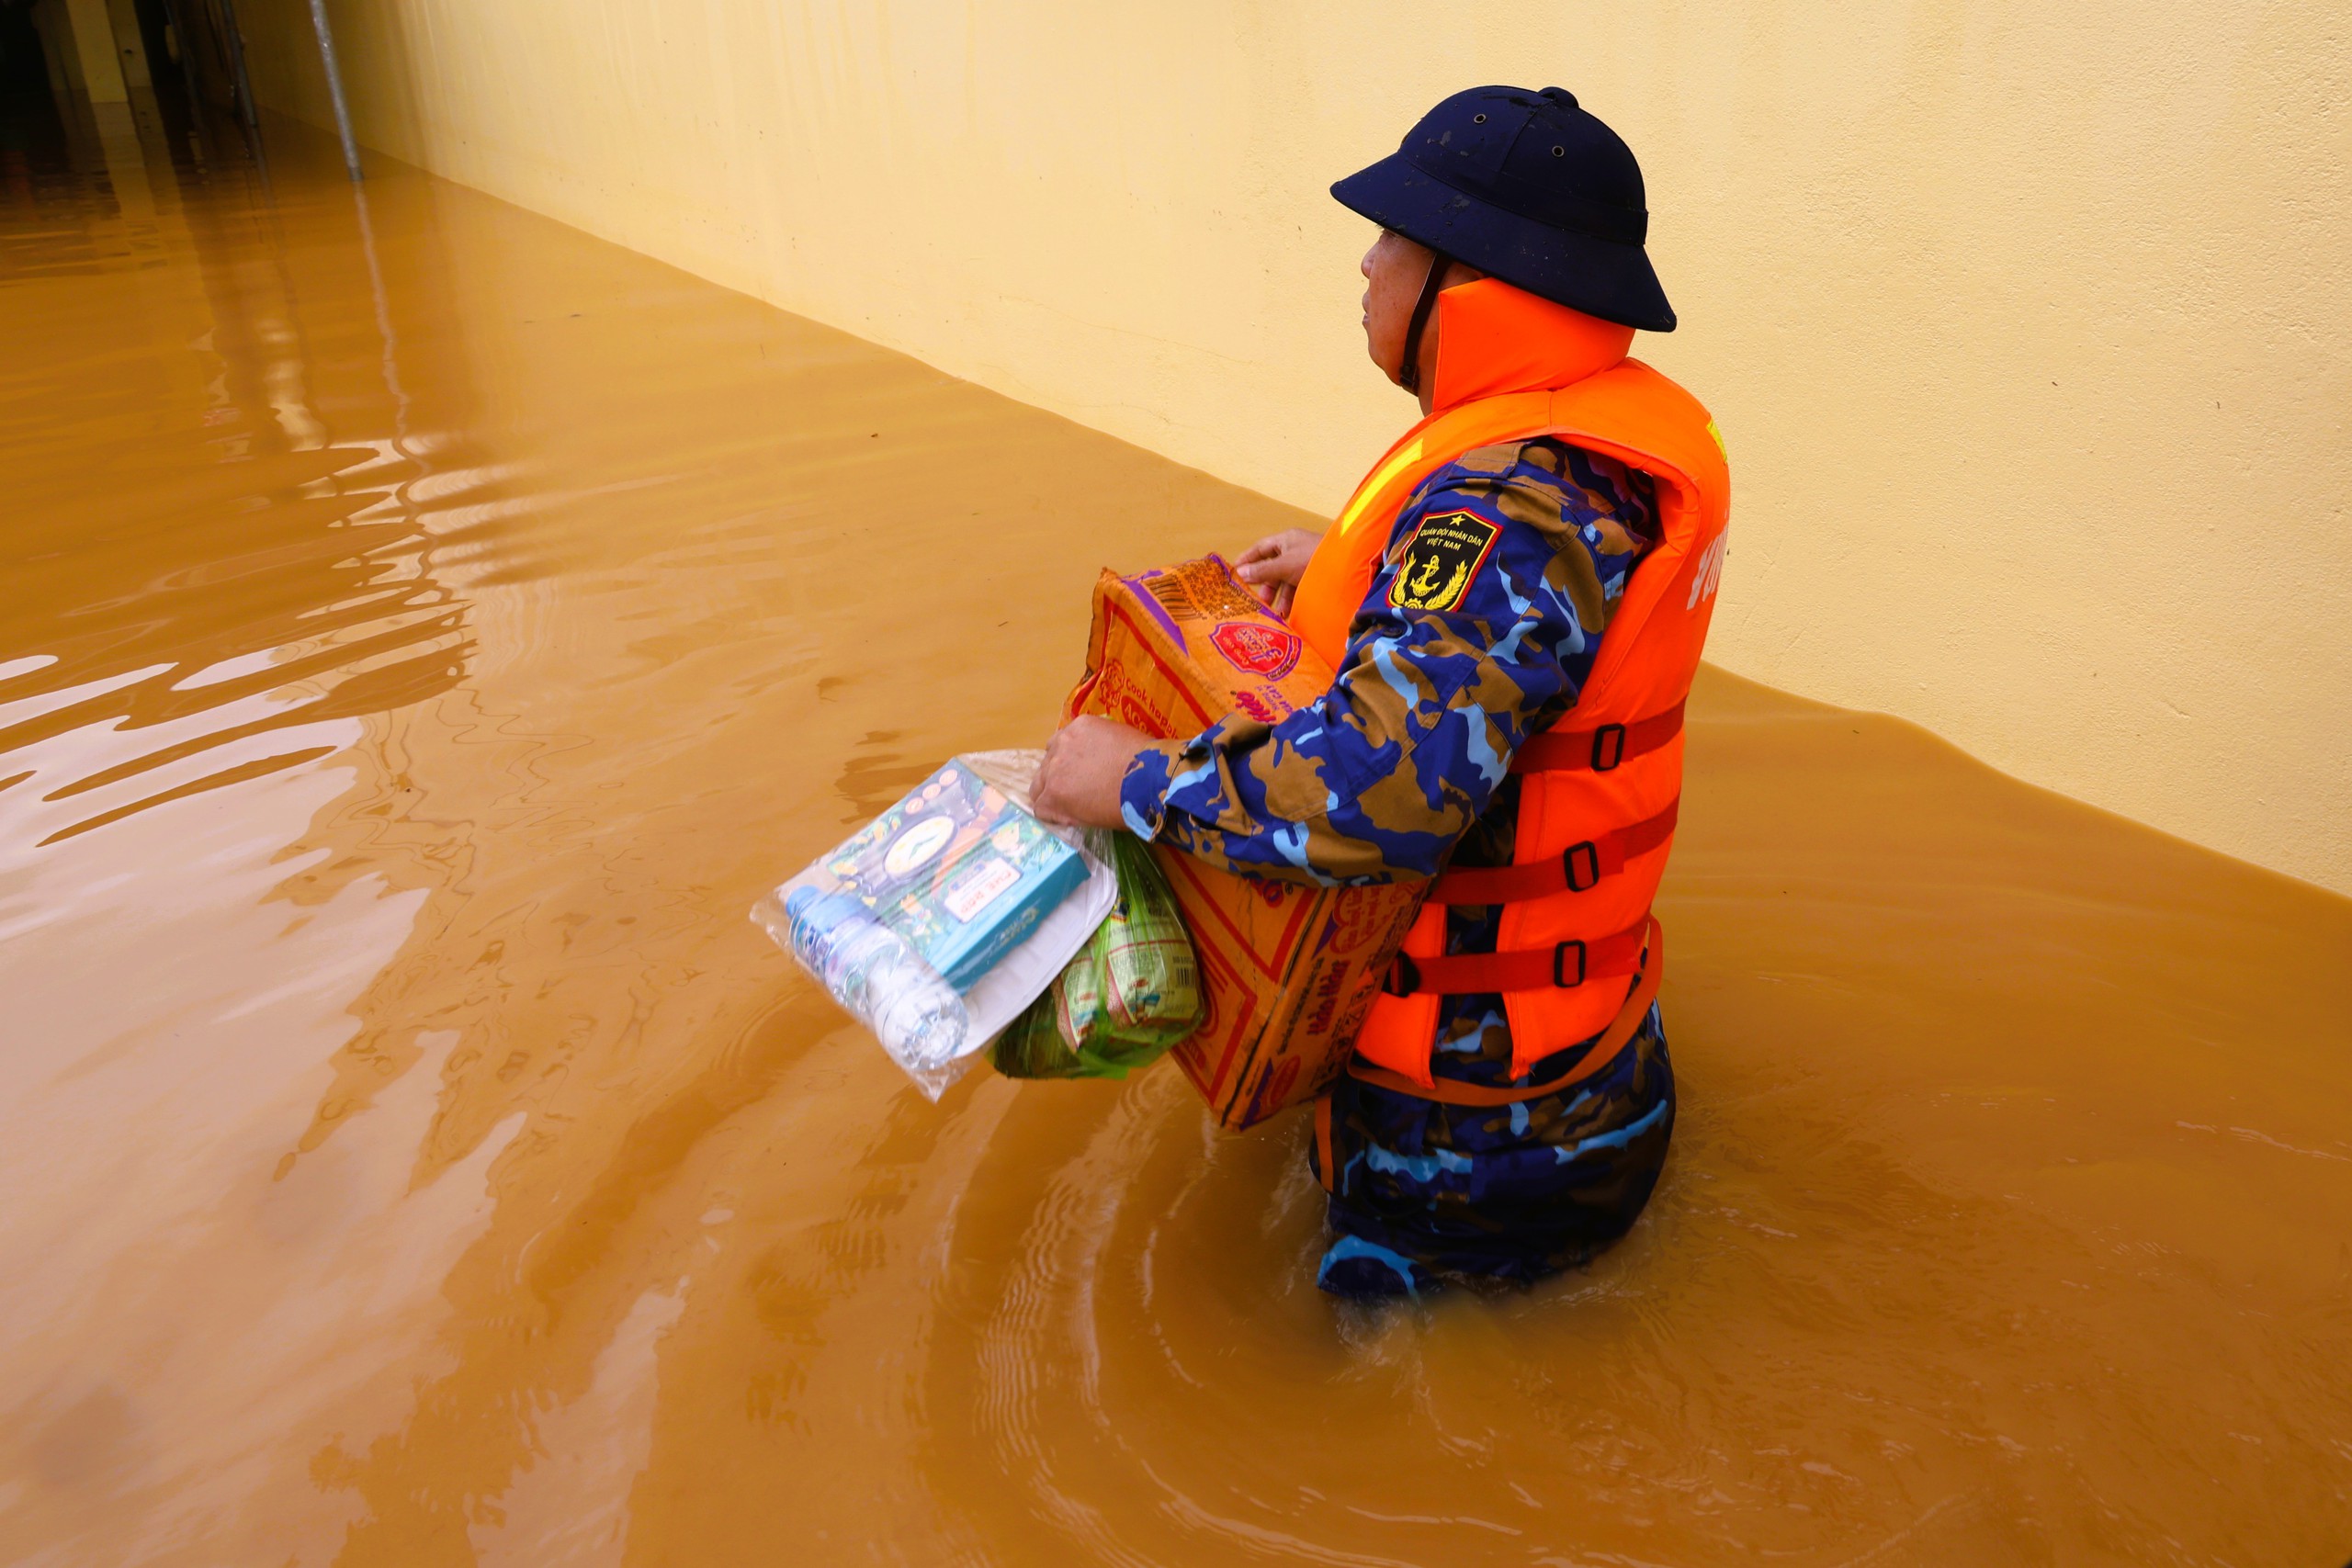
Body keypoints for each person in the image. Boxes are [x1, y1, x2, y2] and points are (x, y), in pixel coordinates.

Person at [1033, 85, 1728, 1299]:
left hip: (1469, 1149)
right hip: (1583, 1064)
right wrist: (1358, 575)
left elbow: (1377, 794)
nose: (1364, 264)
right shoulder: (1558, 467)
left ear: (1470, 288)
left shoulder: (1514, 510)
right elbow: (1513, 647)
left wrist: (1129, 782)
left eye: (1392, 242)